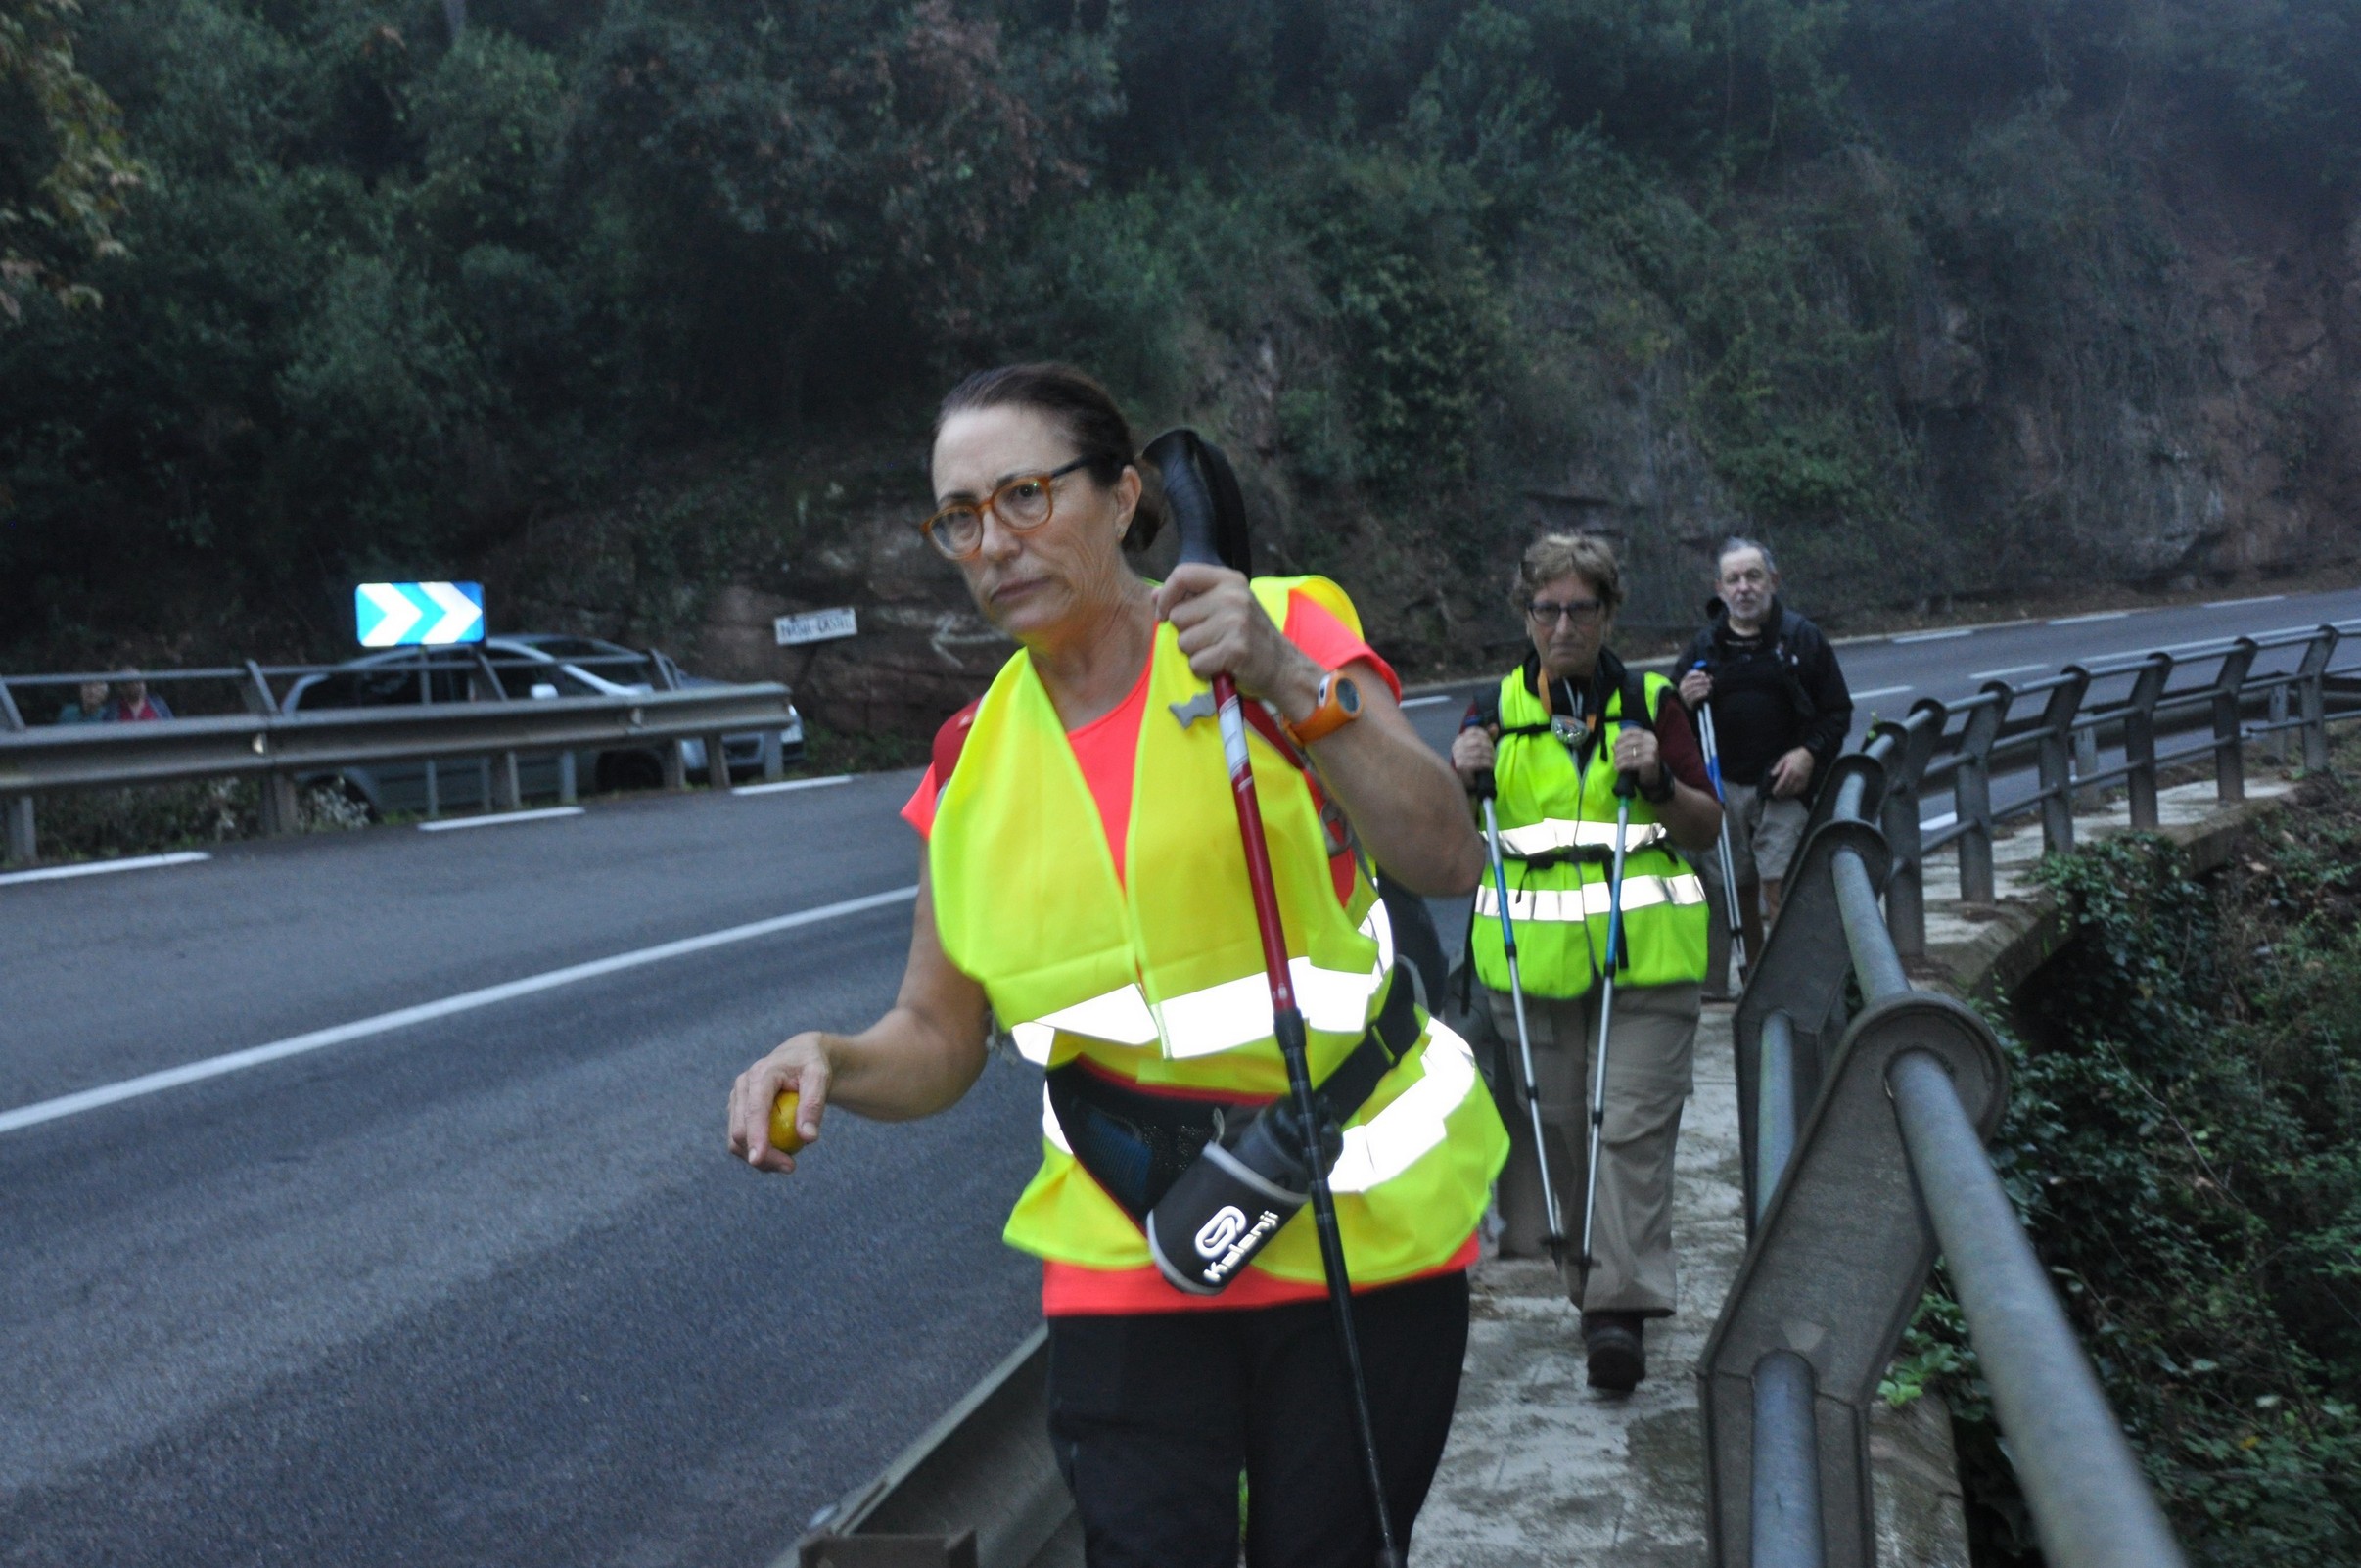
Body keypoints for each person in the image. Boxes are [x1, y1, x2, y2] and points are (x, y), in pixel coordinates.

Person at [725, 363, 1506, 1567]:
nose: (994, 542)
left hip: (1359, 1224)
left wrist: (1288, 681)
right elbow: (937, 1039)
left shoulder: (1279, 630)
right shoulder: (969, 761)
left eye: (1026, 496)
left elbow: (1444, 854)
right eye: (960, 518)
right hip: (1131, 1244)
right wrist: (829, 1056)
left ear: (1125, 494)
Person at [1448, 532, 1721, 1393]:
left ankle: (1616, 1315)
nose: (1563, 627)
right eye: (1548, 610)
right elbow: (1447, 845)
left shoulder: (1651, 704)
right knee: (1565, 1136)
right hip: (1532, 968)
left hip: (1647, 961)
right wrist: (1457, 777)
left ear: (1608, 614)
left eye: (1581, 609)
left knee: (1626, 1131)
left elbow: (1706, 825)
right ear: (1525, 615)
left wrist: (1659, 783)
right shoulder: (1489, 713)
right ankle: (1592, 1287)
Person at [1675, 538, 1852, 981]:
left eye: (1753, 577)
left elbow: (1836, 712)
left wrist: (1808, 754)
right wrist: (1682, 699)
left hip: (1783, 788)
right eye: (1733, 579)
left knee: (1780, 887)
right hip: (1724, 788)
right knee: (1736, 891)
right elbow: (1670, 723)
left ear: (1773, 580)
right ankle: (1756, 982)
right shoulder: (1704, 648)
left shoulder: (1802, 639)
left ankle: (1794, 981)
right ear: (1719, 589)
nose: (1744, 588)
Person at [107, 673, 173, 721]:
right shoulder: (113, 708)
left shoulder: (158, 704)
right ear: (123, 688)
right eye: (133, 682)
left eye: (140, 681)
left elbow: (171, 726)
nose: (139, 686)